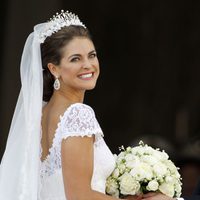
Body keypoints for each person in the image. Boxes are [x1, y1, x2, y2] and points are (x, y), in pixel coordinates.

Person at [0, 10, 140, 200]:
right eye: (75, 59)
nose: (88, 65)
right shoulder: (78, 114)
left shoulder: (38, 115)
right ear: (54, 68)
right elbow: (80, 196)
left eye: (92, 55)